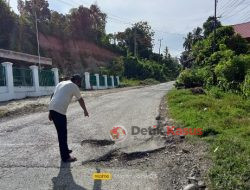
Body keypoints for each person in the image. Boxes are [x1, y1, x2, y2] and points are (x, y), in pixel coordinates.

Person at [48, 74, 89, 162]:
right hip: (59, 111)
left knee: (62, 132)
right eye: (80, 82)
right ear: (77, 81)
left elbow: (52, 95)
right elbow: (80, 99)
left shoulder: (61, 83)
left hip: (53, 108)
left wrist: (50, 111)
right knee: (62, 134)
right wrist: (85, 110)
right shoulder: (74, 86)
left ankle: (65, 150)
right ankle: (65, 157)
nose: (80, 83)